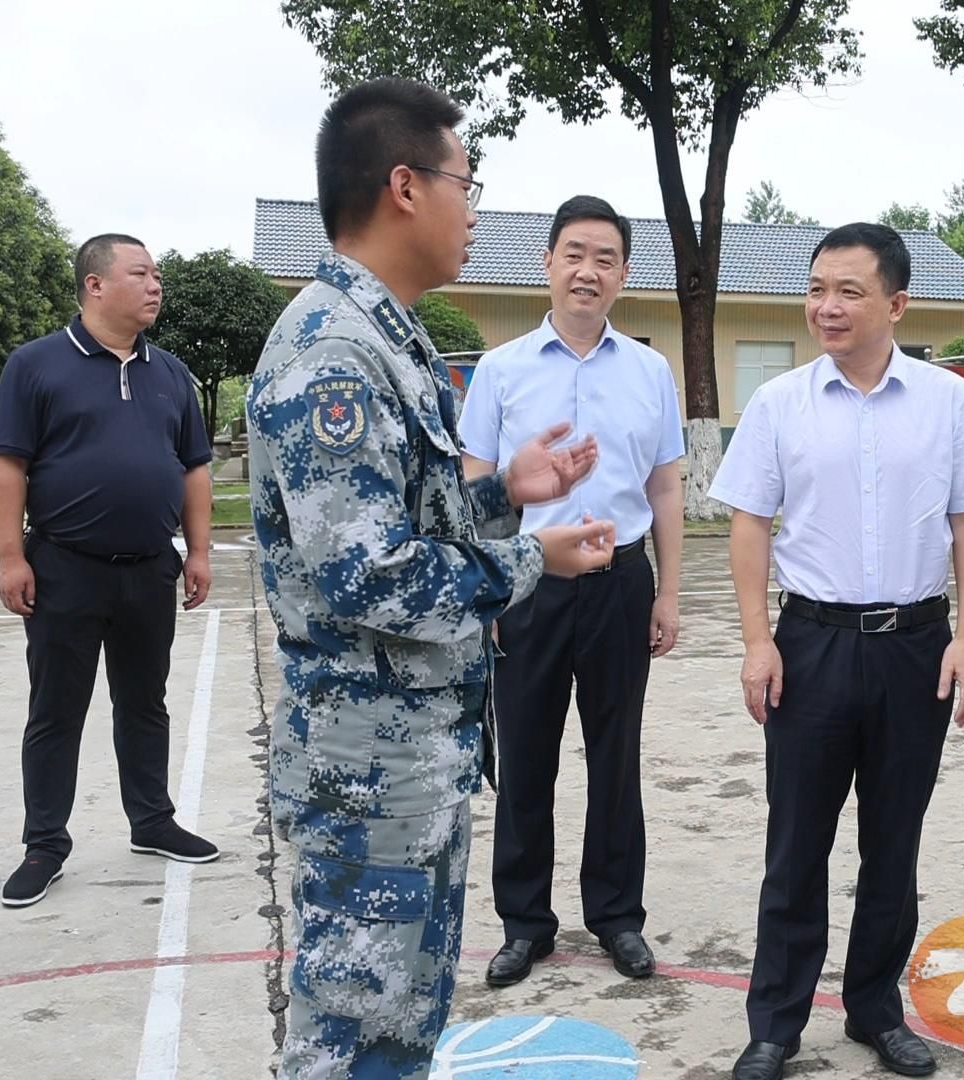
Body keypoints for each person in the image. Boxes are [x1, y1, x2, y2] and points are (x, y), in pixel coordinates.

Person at [246, 76, 616, 1078]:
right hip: (365, 767)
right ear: (405, 187)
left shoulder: (391, 334)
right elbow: (367, 575)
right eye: (467, 183)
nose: (475, 210)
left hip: (412, 759)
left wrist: (504, 494)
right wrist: (530, 556)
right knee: (349, 1036)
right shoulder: (333, 355)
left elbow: (404, 517)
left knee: (401, 1029)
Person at [710, 222, 964, 1080]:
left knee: (893, 843)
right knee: (795, 844)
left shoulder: (949, 401)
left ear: (897, 303)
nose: (827, 307)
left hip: (915, 647)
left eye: (848, 290)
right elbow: (749, 524)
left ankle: (876, 1011)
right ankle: (775, 1024)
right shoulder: (780, 403)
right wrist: (758, 643)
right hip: (811, 646)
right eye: (817, 290)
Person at [458, 195, 685, 988]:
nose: (588, 271)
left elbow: (665, 486)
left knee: (616, 757)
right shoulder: (501, 369)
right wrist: (487, 588)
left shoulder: (650, 371)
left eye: (605, 259)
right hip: (529, 584)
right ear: (547, 263)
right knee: (525, 756)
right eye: (575, 254)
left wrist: (668, 593)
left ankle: (617, 916)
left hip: (621, 582)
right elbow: (477, 481)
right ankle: (525, 924)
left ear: (623, 274)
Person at [0, 234, 220, 909]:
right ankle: (45, 844)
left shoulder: (169, 373)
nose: (155, 285)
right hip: (64, 567)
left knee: (145, 702)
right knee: (56, 709)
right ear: (95, 285)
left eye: (157, 275)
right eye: (140, 273)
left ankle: (152, 821)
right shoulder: (36, 365)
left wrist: (199, 551)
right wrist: (10, 557)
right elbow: (9, 467)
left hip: (148, 569)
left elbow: (194, 469)